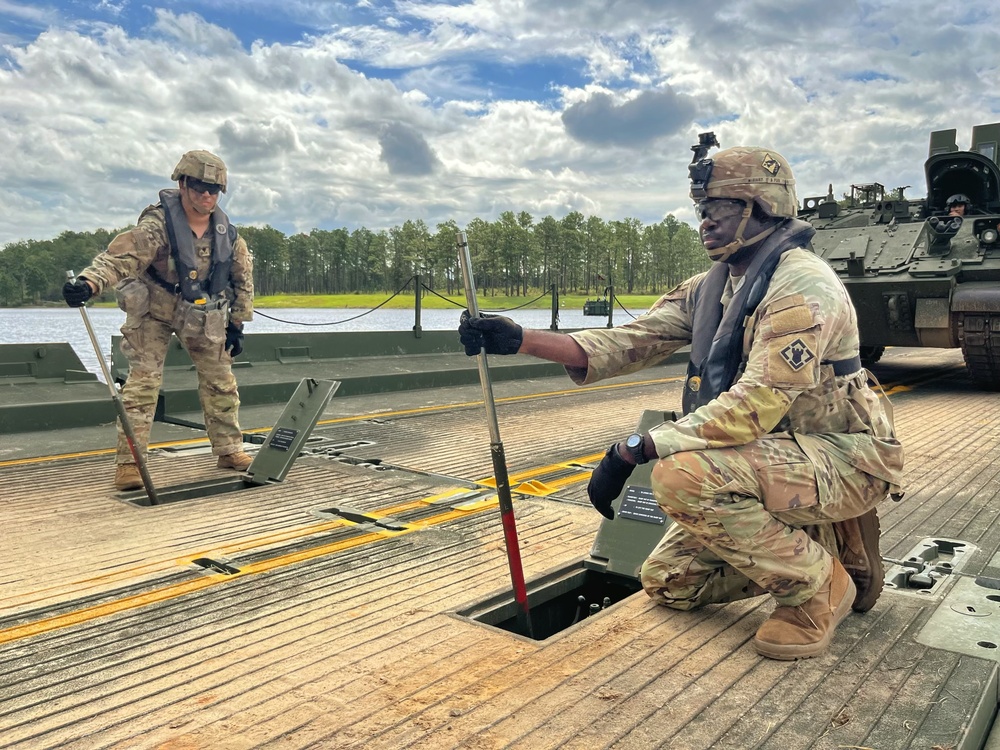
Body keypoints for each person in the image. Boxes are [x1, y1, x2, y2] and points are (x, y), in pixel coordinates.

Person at [458, 141, 904, 660]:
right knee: (669, 580)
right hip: (776, 454)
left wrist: (633, 449)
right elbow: (632, 339)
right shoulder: (715, 286)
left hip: (844, 455)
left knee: (683, 476)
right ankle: (823, 545)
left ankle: (818, 588)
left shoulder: (801, 289)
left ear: (762, 206)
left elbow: (752, 405)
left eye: (718, 209)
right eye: (702, 211)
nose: (705, 223)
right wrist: (519, 339)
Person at [63, 150, 255, 490]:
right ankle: (129, 465)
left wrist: (236, 324)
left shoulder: (229, 235)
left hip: (200, 311)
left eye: (214, 189)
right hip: (154, 308)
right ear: (182, 184)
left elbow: (243, 280)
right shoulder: (157, 227)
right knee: (143, 385)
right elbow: (119, 258)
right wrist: (89, 282)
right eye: (198, 186)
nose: (206, 195)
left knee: (220, 379)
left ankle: (229, 450)